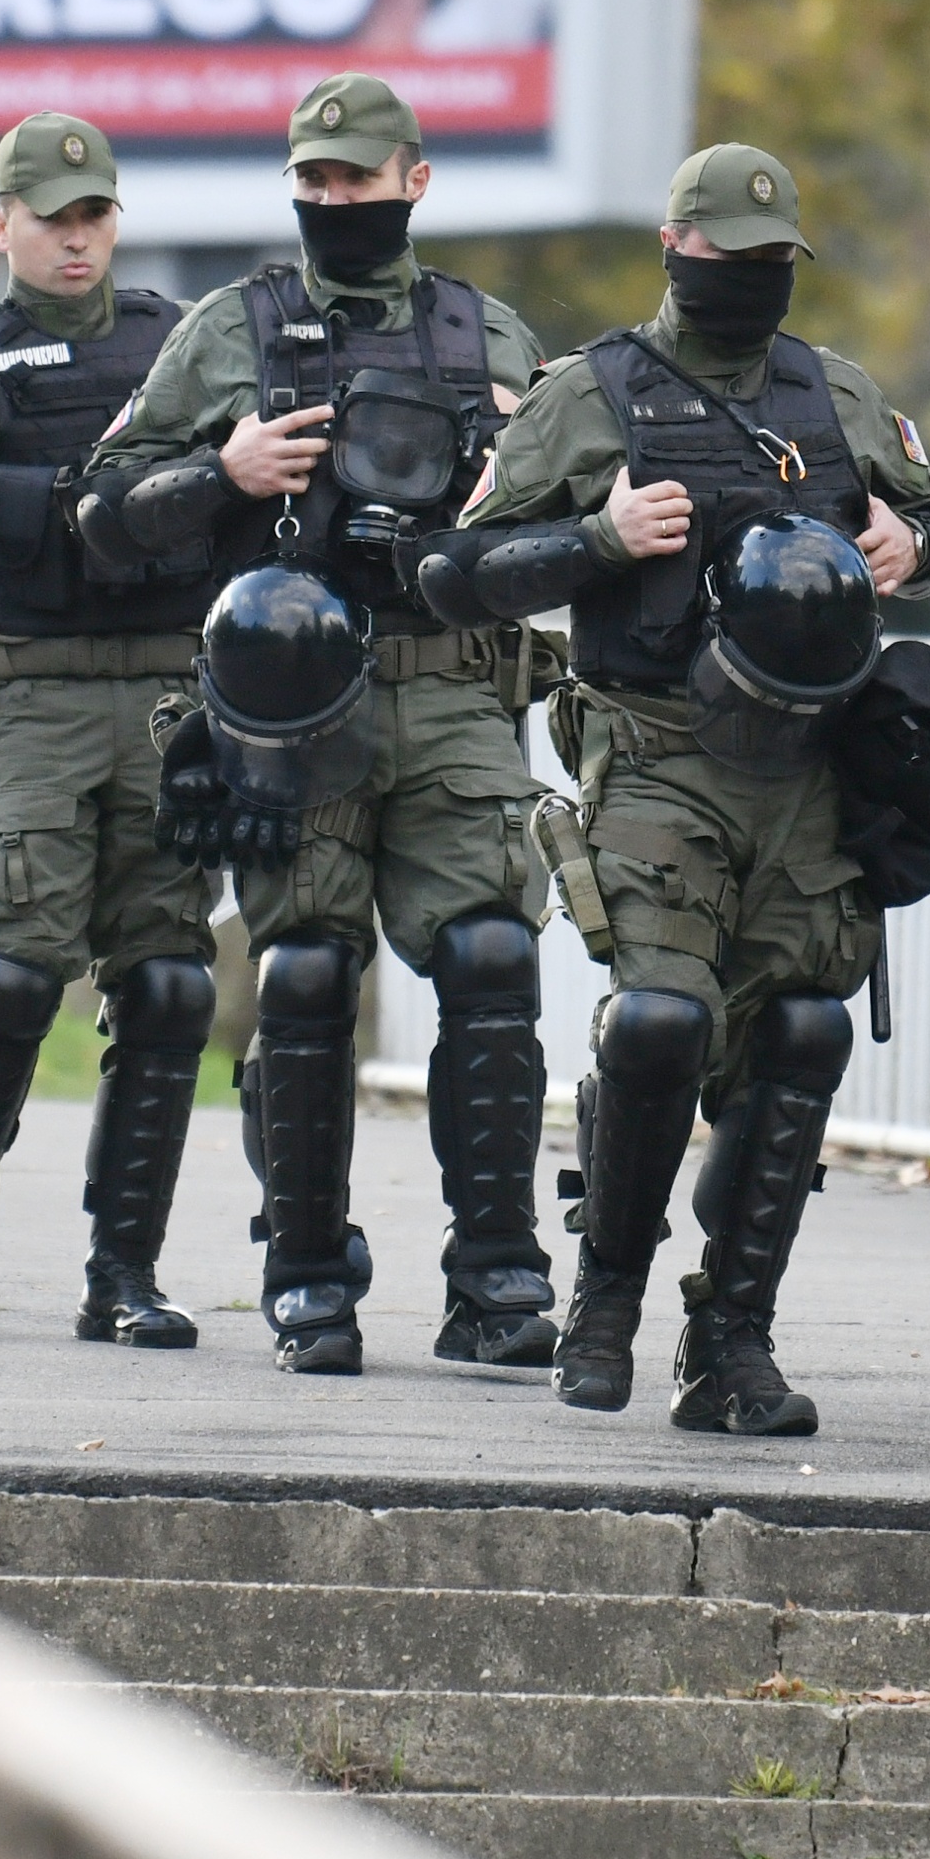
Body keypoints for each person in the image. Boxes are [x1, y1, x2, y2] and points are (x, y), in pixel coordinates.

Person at [433, 144, 930, 1436]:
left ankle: (730, 1336)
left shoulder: (831, 393)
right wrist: (596, 542)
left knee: (799, 1032)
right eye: (726, 258)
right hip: (655, 747)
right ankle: (603, 1301)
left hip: (809, 768)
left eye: (771, 261)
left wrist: (915, 541)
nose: (748, 281)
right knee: (661, 1020)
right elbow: (452, 572)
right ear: (674, 248)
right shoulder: (591, 395)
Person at [83, 72, 552, 1378]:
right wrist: (219, 473)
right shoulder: (236, 328)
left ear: (415, 178)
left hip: (453, 684)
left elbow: (583, 511)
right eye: (311, 179)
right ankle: (304, 1273)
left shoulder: (481, 334)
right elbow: (105, 508)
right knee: (300, 976)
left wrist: (523, 469)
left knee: (490, 958)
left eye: (354, 177)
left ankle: (497, 1272)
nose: (331, 199)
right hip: (292, 701)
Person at [0, 112, 221, 1345]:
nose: (75, 239)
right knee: (12, 971)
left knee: (168, 984)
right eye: (51, 217)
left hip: (170, 701)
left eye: (94, 215)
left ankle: (124, 1272)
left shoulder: (185, 351)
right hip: (27, 704)